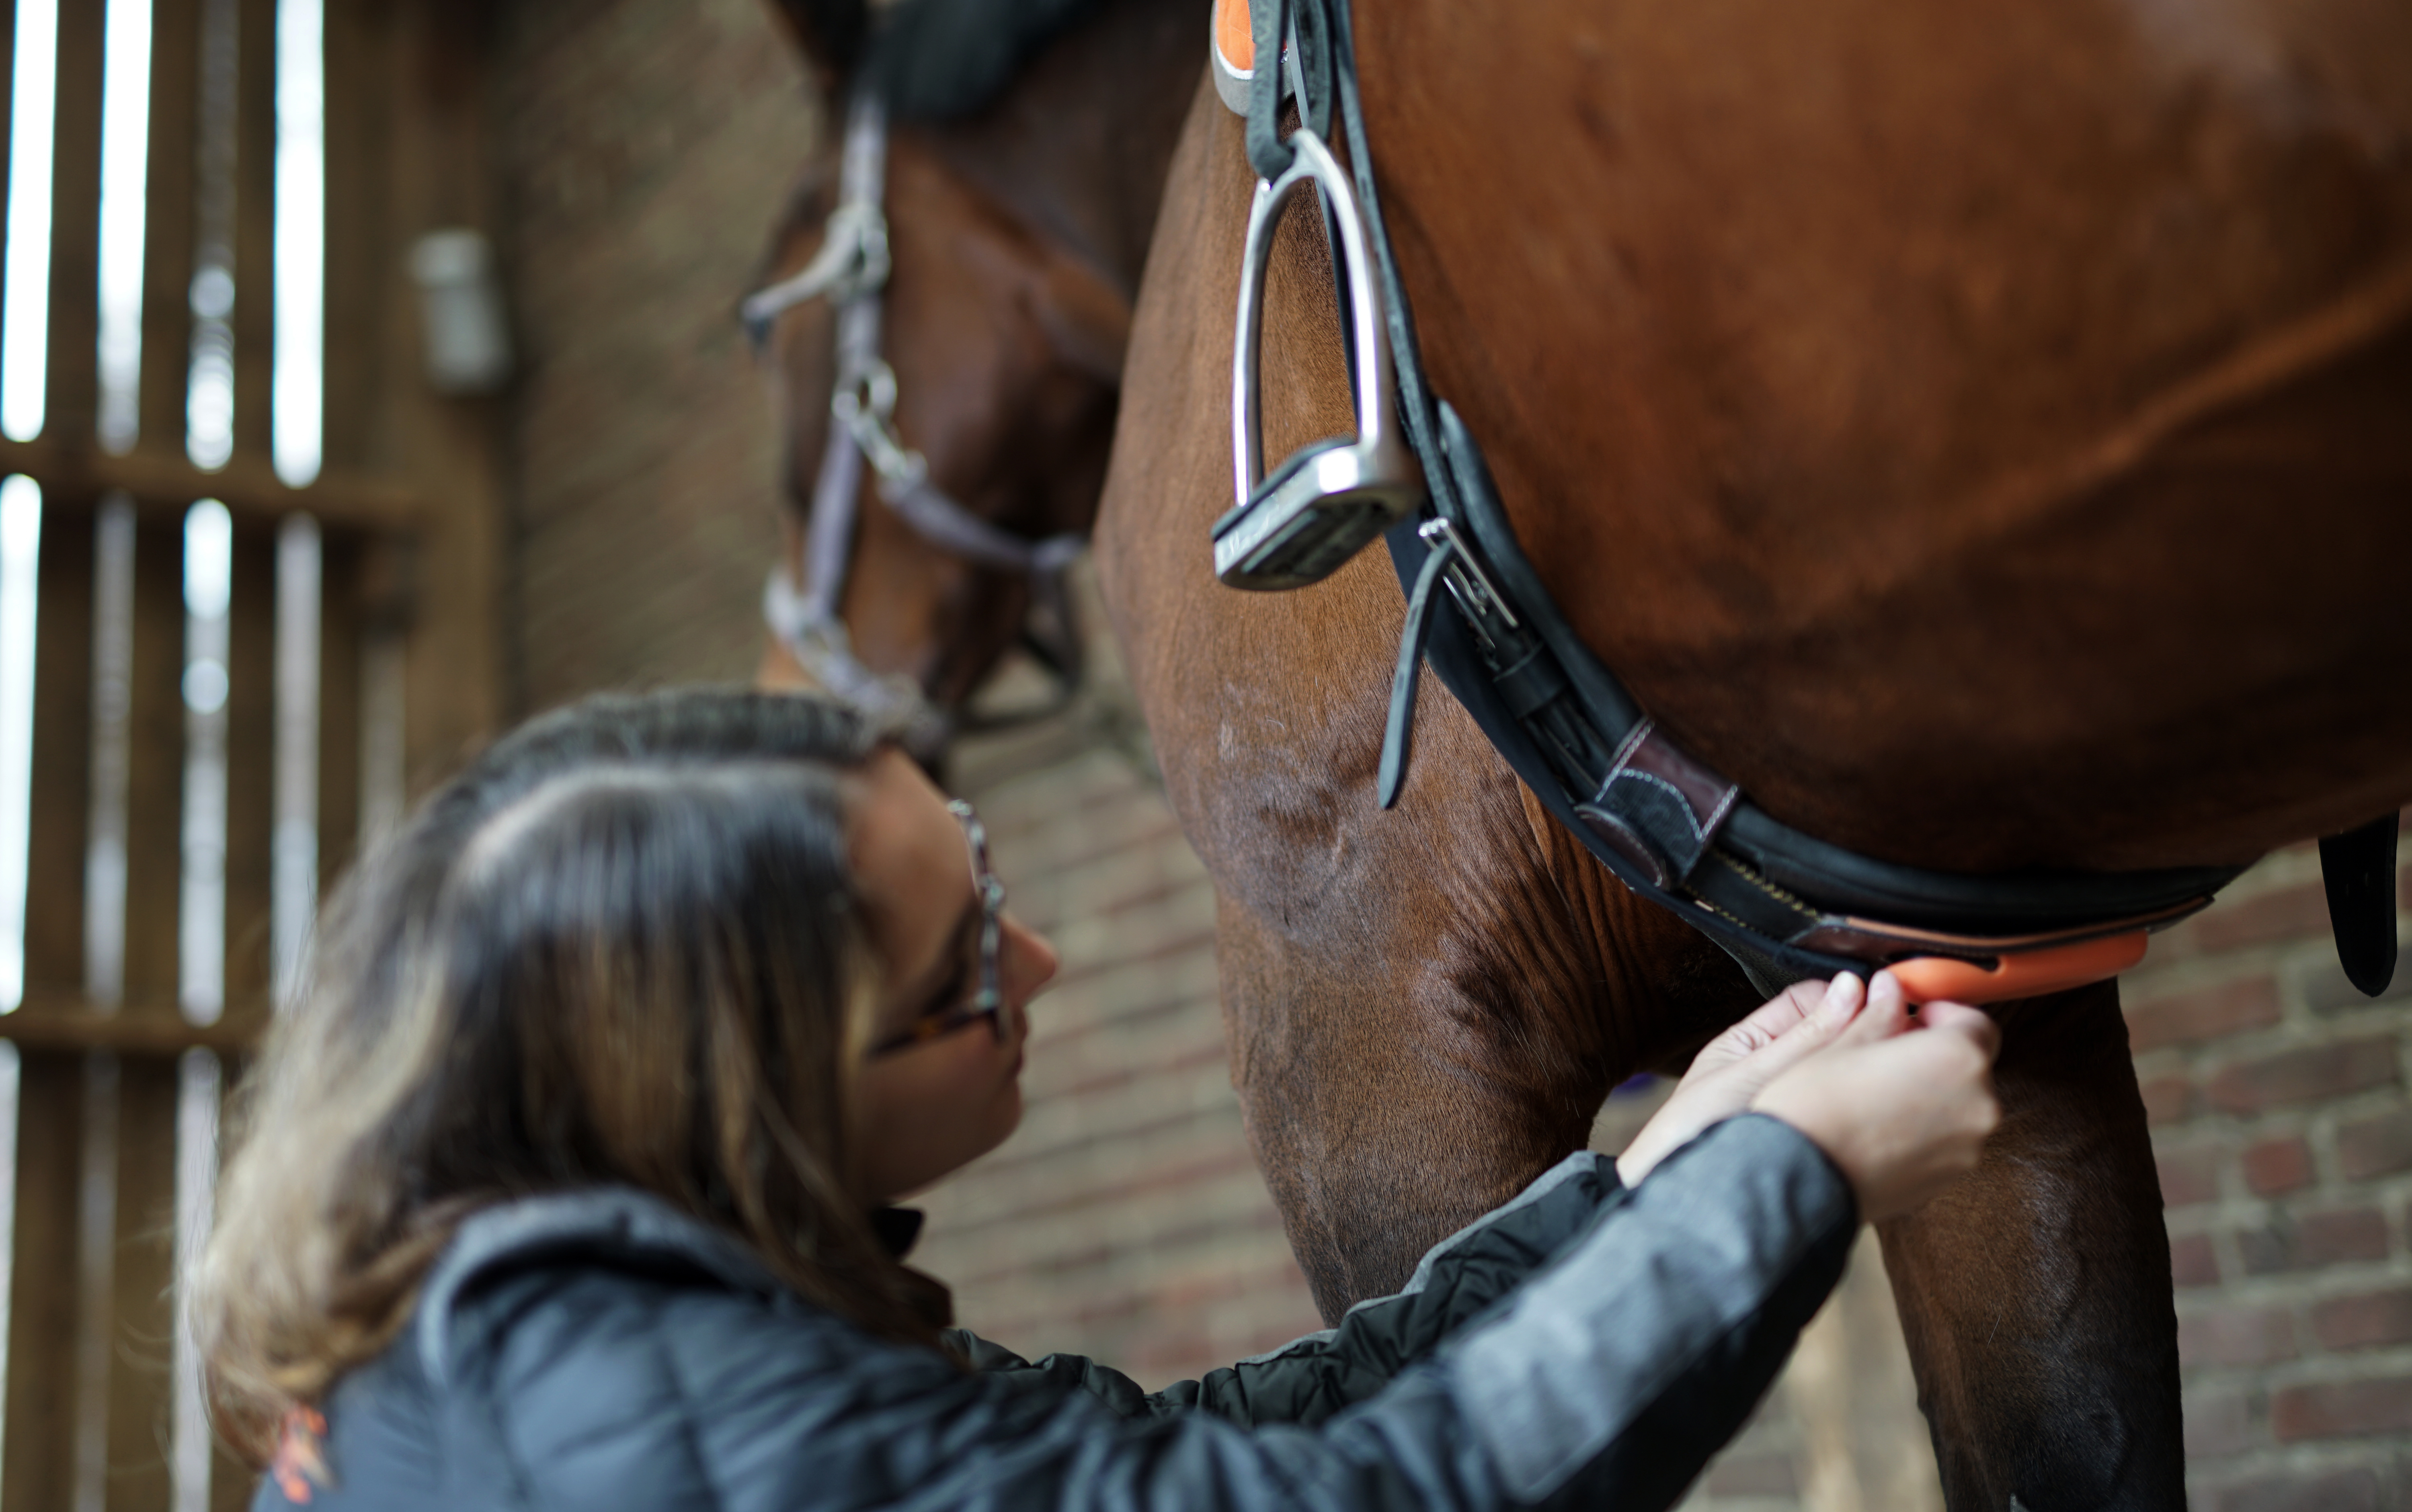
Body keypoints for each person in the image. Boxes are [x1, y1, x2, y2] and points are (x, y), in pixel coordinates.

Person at [193, 687, 2000, 1512]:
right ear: (756, 1111)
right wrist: (1796, 1178)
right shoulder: (665, 1433)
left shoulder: (560, 1305)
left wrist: (1646, 1190)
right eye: (961, 979)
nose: (1042, 961)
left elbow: (1188, 1465)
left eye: (985, 878)